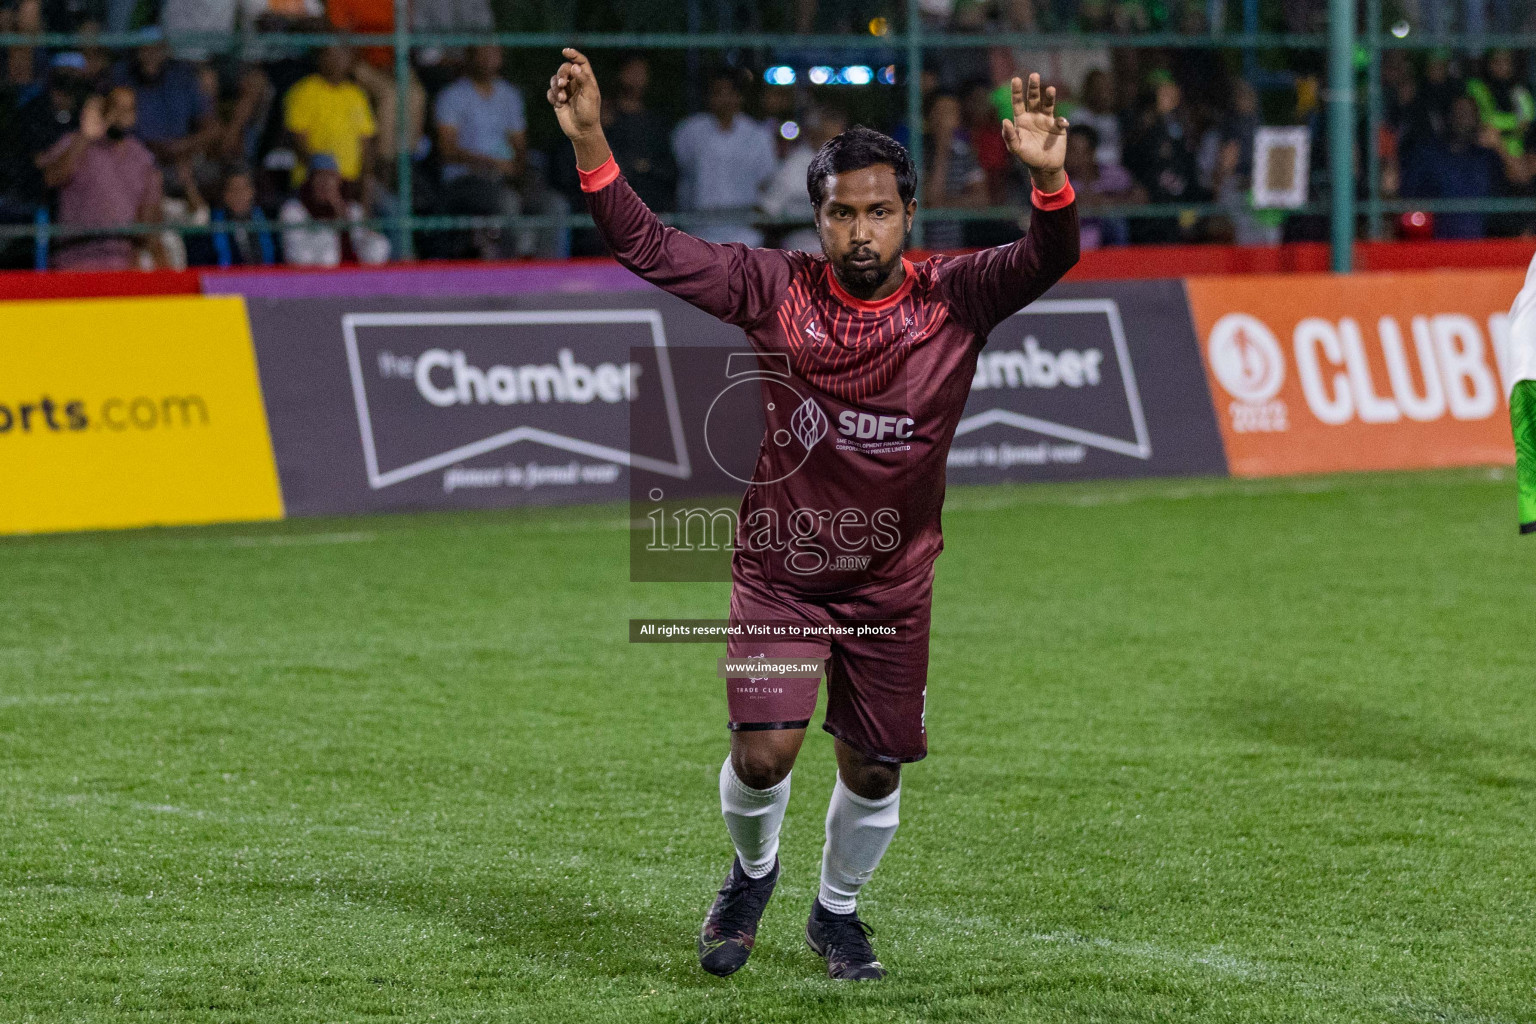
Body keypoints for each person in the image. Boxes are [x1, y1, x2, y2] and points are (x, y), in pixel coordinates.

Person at [548, 48, 1078, 982]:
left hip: (893, 581)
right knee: (764, 756)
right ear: (817, 217)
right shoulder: (776, 289)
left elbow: (1051, 255)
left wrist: (1049, 180)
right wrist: (592, 140)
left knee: (874, 771)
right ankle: (751, 875)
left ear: (910, 216)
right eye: (842, 213)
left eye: (879, 212)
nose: (860, 231)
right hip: (782, 572)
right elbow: (651, 247)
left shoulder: (957, 297)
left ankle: (836, 915)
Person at [434, 43, 569, 259]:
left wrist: (519, 170)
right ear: (471, 57)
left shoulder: (509, 95)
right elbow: (447, 150)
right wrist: (490, 163)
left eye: (494, 53)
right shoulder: (452, 96)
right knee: (507, 201)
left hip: (506, 177)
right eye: (483, 52)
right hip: (466, 179)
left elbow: (520, 146)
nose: (490, 58)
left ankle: (548, 273)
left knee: (554, 204)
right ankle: (511, 272)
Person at [37, 85, 166, 269]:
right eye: (115, 107)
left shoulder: (141, 157)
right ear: (104, 109)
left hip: (123, 263)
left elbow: (149, 222)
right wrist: (85, 136)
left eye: (127, 109)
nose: (120, 115)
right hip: (75, 260)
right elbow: (51, 178)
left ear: (134, 115)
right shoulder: (75, 142)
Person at [671, 70, 777, 245]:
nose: (723, 99)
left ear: (739, 96)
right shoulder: (689, 131)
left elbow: (766, 181)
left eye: (729, 92)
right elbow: (681, 171)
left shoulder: (758, 135)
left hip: (745, 233)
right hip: (699, 231)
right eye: (717, 92)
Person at [1400, 93, 1512, 240]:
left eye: (1469, 114)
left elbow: (1520, 179)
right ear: (1448, 117)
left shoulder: (1487, 157)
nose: (1463, 119)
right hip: (1437, 247)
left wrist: (1499, 146)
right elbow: (1408, 200)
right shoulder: (1427, 155)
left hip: (1484, 246)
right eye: (1459, 113)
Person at [111, 31, 217, 173]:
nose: (150, 55)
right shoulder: (122, 78)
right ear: (136, 51)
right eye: (145, 49)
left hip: (180, 159)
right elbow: (111, 127)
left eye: (155, 49)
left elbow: (211, 128)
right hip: (133, 161)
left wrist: (183, 146)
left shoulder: (182, 78)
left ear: (165, 51)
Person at [282, 45, 376, 199]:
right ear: (321, 58)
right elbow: (297, 140)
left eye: (344, 56)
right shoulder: (304, 91)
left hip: (350, 184)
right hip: (312, 184)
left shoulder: (356, 94)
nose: (339, 61)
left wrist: (365, 181)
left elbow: (366, 142)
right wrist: (324, 175)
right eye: (333, 55)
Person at [278, 152, 388, 265]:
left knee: (379, 244)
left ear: (338, 181)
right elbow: (296, 255)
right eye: (319, 176)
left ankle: (372, 281)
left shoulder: (351, 208)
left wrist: (342, 213)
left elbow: (360, 242)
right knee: (327, 247)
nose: (325, 183)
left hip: (350, 272)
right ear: (310, 181)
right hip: (311, 273)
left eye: (330, 176)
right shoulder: (293, 209)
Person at [600, 54, 675, 212]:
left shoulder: (655, 123)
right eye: (631, 71)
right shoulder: (605, 118)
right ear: (620, 73)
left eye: (641, 72)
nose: (636, 77)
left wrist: (646, 168)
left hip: (650, 201)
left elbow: (668, 169)